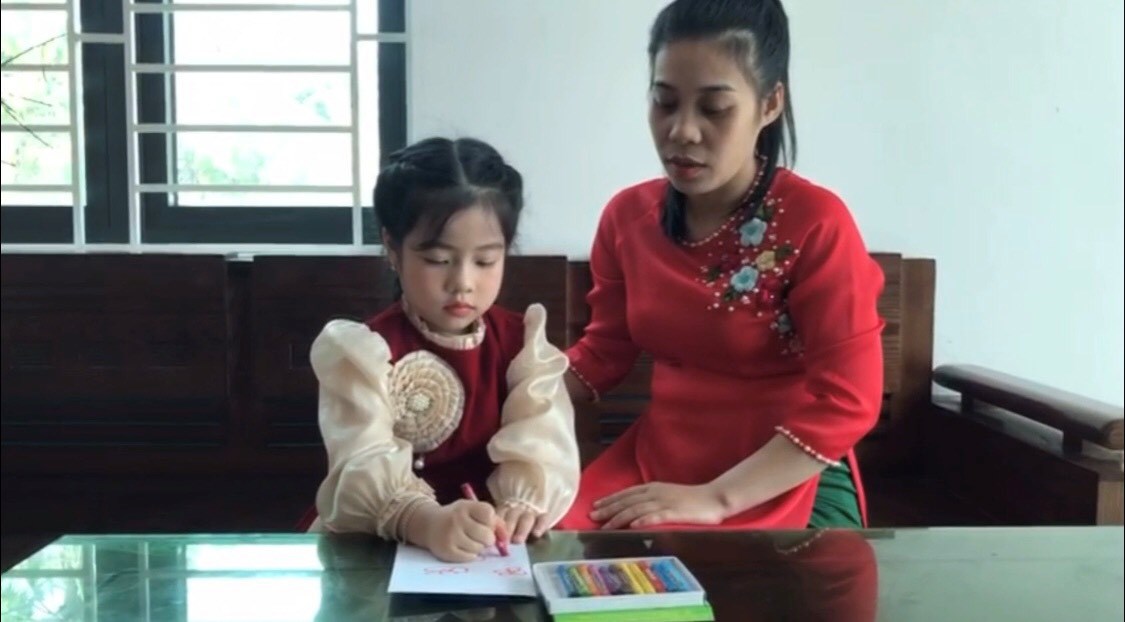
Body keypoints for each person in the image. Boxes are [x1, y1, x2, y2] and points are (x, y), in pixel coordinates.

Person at [558, 0, 885, 531]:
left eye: (714, 109)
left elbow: (848, 401)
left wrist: (716, 500)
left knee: (739, 577)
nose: (682, 131)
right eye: (664, 102)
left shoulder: (815, 223)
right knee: (550, 557)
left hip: (785, 472)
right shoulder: (628, 217)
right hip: (659, 462)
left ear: (770, 103)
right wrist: (506, 385)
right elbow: (604, 353)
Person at [302, 137, 581, 563]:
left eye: (485, 261)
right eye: (437, 260)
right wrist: (423, 520)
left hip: (491, 547)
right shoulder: (362, 352)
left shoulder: (522, 347)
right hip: (380, 541)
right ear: (392, 248)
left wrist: (522, 504)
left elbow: (544, 441)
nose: (463, 283)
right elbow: (359, 459)